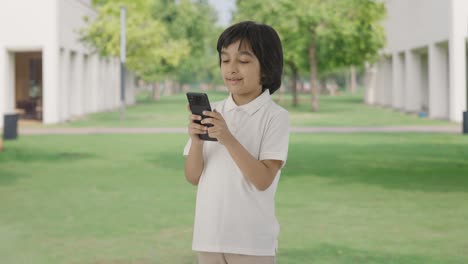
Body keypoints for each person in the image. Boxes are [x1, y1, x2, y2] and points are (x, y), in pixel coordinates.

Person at [183, 21, 290, 264]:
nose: (231, 69)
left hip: (251, 243)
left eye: (243, 61)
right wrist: (197, 140)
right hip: (208, 238)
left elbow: (263, 180)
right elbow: (193, 177)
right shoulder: (214, 111)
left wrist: (228, 139)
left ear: (267, 67)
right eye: (225, 60)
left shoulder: (275, 117)